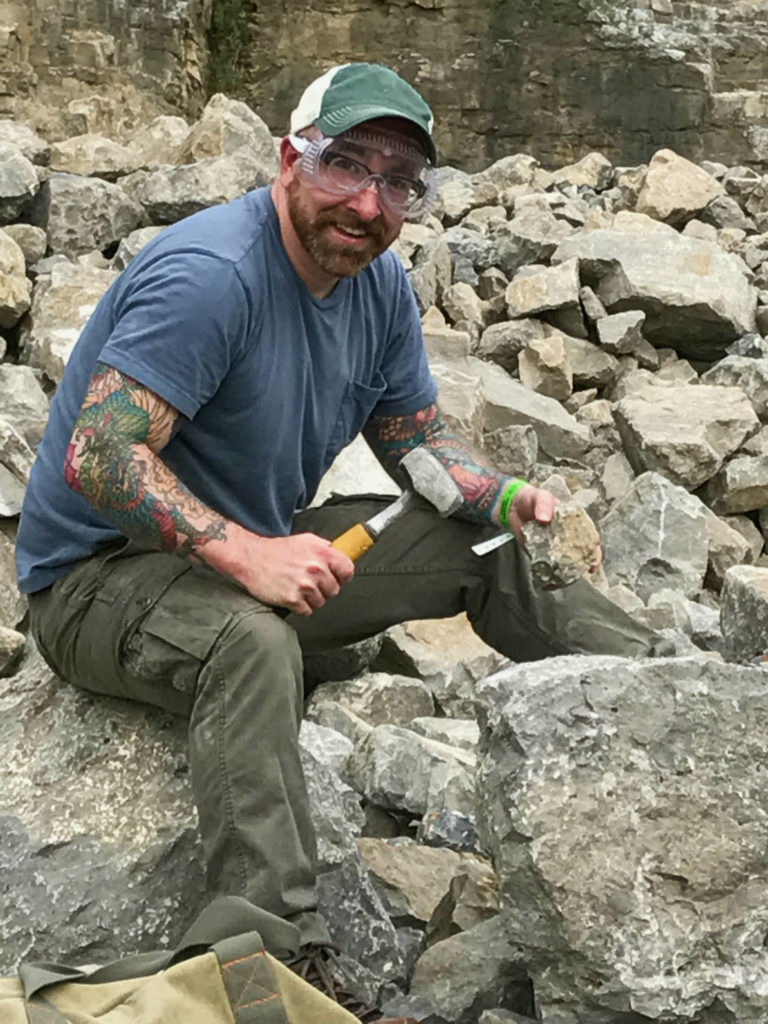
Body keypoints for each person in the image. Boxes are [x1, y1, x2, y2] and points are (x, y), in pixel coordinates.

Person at [16, 62, 654, 1021]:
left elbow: (420, 452)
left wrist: (509, 495)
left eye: (397, 181)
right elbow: (100, 459)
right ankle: (269, 954)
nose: (367, 202)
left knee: (476, 541)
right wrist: (245, 555)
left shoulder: (380, 288)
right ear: (288, 159)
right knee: (249, 639)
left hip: (244, 551)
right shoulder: (212, 276)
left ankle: (677, 700)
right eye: (344, 164)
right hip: (95, 579)